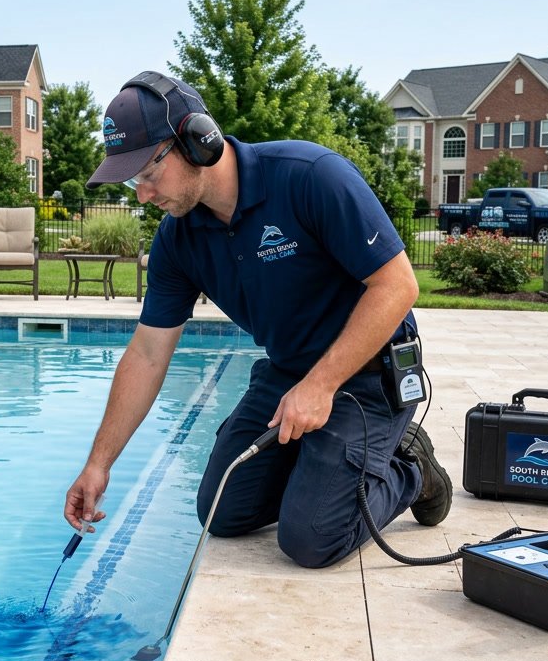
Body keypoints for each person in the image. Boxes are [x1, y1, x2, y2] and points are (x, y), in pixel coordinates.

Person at [63, 70, 451, 568]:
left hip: (370, 375)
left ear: (199, 142)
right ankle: (323, 466)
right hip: (288, 372)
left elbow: (398, 285)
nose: (142, 194)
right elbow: (147, 353)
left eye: (149, 173)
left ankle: (410, 465)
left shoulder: (309, 175)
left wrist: (321, 386)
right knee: (220, 512)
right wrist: (99, 464)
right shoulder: (179, 240)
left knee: (310, 539)